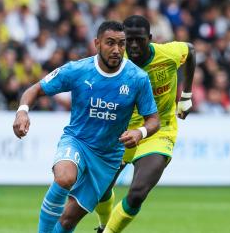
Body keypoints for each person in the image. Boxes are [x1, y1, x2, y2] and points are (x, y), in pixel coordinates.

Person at [12, 20, 160, 233]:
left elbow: (153, 119)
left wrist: (140, 131)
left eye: (121, 44)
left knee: (67, 221)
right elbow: (35, 89)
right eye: (110, 43)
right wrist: (22, 111)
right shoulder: (78, 69)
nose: (117, 50)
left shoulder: (137, 78)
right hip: (77, 141)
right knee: (65, 178)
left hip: (108, 157)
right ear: (97, 43)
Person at [95, 15, 196, 233]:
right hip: (121, 133)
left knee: (138, 192)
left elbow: (191, 51)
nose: (132, 45)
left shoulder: (167, 55)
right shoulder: (114, 63)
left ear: (149, 38)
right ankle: (104, 224)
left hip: (159, 131)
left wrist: (186, 95)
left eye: (138, 40)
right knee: (100, 190)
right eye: (127, 40)